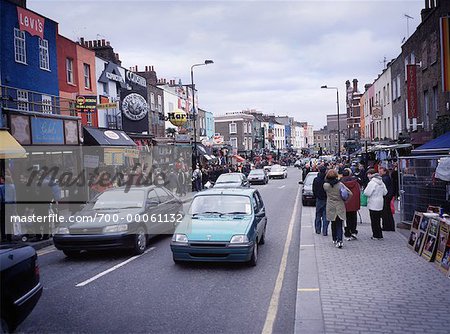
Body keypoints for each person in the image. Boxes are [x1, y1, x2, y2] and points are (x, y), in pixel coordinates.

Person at [323, 169, 352, 248]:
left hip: (330, 206)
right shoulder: (340, 185)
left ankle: (334, 239)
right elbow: (350, 193)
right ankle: (340, 241)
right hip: (339, 205)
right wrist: (345, 201)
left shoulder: (325, 185)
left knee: (333, 223)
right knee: (339, 224)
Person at [364, 169, 387, 240]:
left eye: (369, 174)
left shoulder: (372, 183)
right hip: (380, 203)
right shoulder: (381, 182)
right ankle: (379, 234)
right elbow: (385, 192)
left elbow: (366, 193)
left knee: (374, 220)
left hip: (373, 203)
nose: (368, 175)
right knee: (378, 220)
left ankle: (375, 235)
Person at [341, 168, 361, 240]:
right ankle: (353, 231)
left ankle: (347, 233)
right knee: (353, 218)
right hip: (354, 203)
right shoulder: (355, 182)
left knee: (346, 218)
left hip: (345, 203)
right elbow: (358, 192)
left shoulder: (341, 183)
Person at [312, 165, 328, 236]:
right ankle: (325, 231)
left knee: (318, 215)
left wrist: (316, 196)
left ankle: (318, 229)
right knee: (325, 216)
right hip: (326, 199)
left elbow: (314, 190)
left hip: (319, 199)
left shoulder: (316, 179)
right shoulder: (327, 180)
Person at [379, 166, 395, 231]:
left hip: (386, 197)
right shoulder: (387, 177)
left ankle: (386, 226)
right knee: (388, 212)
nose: (379, 172)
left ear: (385, 172)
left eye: (381, 171)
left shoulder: (384, 179)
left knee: (385, 212)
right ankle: (390, 226)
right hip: (388, 196)